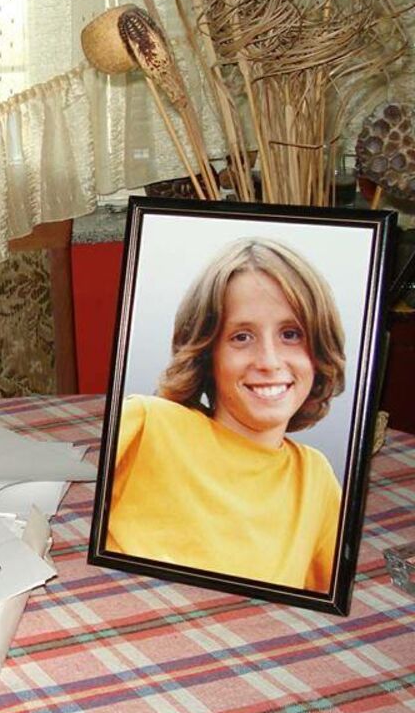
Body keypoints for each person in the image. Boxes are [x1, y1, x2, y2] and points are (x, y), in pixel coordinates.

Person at [106, 237, 346, 592]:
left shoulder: (315, 478)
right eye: (242, 337)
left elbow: (334, 600)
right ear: (208, 354)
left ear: (320, 351)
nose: (268, 361)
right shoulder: (146, 425)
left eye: (291, 334)